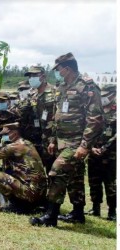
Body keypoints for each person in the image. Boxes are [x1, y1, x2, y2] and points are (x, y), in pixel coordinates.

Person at [30, 52, 104, 227]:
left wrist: (85, 145)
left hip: (77, 142)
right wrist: (53, 141)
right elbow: (58, 115)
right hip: (62, 140)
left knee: (57, 172)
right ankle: (78, 213)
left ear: (68, 68)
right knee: (75, 177)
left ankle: (50, 215)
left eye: (59, 69)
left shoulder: (86, 86)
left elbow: (95, 118)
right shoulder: (62, 86)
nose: (57, 72)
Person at [0, 122, 48, 214]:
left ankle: (17, 206)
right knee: (9, 170)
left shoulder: (15, 146)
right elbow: (4, 149)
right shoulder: (26, 143)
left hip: (31, 192)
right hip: (40, 192)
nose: (7, 137)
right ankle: (28, 204)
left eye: (8, 134)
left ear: (15, 133)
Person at [85, 84, 116, 221]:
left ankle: (112, 212)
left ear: (113, 94)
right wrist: (90, 147)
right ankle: (95, 208)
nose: (102, 99)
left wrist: (104, 149)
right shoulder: (95, 110)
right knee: (94, 182)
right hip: (93, 153)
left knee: (110, 184)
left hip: (111, 155)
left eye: (105, 96)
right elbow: (88, 129)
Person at [21, 65, 56, 174]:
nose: (31, 78)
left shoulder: (55, 92)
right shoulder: (31, 94)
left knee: (52, 175)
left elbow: (60, 118)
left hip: (51, 142)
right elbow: (20, 111)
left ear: (43, 76)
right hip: (36, 141)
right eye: (30, 76)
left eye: (34, 75)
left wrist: (54, 139)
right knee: (36, 175)